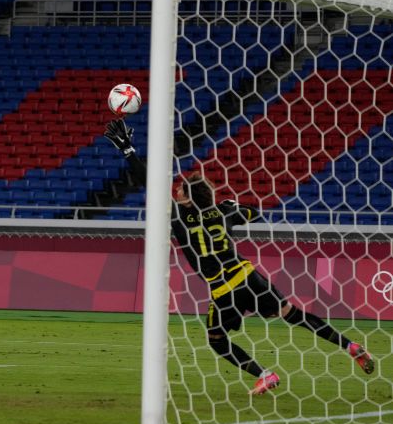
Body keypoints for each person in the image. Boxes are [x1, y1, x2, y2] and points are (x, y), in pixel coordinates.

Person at [104, 118, 374, 394]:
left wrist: (127, 149)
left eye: (180, 190)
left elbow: (149, 183)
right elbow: (253, 213)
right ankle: (349, 345)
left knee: (217, 340)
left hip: (223, 289)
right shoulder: (223, 210)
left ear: (186, 199)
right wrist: (234, 205)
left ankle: (265, 375)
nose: (176, 190)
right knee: (292, 314)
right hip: (250, 276)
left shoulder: (178, 216)